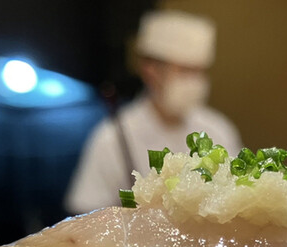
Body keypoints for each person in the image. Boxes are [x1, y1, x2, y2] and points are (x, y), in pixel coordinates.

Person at [64, 9, 242, 213]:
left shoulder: (219, 129)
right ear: (150, 70)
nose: (195, 82)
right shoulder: (112, 137)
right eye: (185, 71)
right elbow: (86, 214)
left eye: (199, 72)